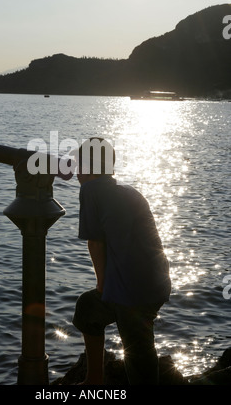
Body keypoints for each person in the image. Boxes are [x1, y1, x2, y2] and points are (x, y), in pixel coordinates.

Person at [71, 137, 171, 385]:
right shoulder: (127, 192)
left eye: (78, 164)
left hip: (133, 287)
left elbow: (95, 243)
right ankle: (94, 379)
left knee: (137, 347)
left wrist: (102, 285)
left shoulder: (92, 190)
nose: (75, 171)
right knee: (88, 309)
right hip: (155, 281)